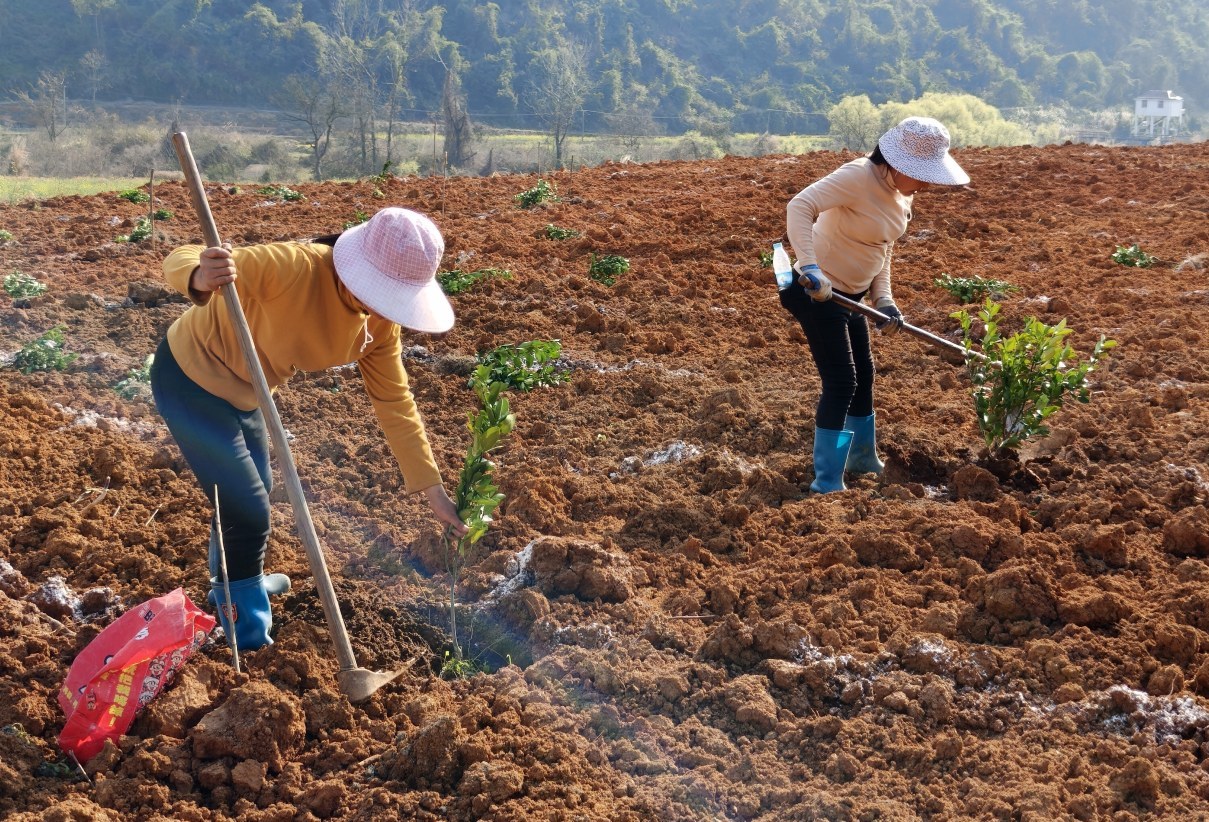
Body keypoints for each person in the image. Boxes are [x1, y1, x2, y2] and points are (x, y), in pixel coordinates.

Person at [150, 207, 468, 651]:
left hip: (250, 393)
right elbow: (184, 256)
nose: (386, 305)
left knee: (252, 491)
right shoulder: (294, 267)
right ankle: (246, 632)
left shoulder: (379, 324)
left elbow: (395, 401)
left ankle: (235, 584)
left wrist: (433, 491)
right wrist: (200, 277)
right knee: (249, 510)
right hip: (190, 381)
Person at [781, 116, 969, 493]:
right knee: (842, 380)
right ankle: (827, 478)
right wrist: (813, 268)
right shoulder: (857, 177)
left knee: (864, 374)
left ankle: (862, 456)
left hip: (852, 298)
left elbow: (882, 248)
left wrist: (885, 300)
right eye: (923, 174)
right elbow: (800, 206)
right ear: (898, 164)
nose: (928, 184)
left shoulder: (902, 194)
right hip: (816, 292)